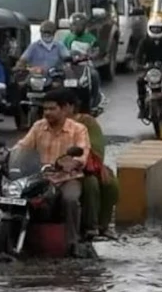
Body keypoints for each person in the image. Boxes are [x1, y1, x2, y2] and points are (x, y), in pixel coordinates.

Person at [13, 88, 91, 257]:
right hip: (39, 178)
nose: (47, 113)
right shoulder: (38, 127)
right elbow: (23, 146)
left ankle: (72, 243)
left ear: (64, 110)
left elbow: (83, 153)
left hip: (67, 178)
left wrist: (72, 163)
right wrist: (8, 155)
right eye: (45, 109)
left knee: (70, 200)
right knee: (16, 198)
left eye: (52, 109)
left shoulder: (78, 129)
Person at [62, 92, 119, 238]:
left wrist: (79, 161)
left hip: (84, 167)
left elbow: (95, 148)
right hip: (57, 169)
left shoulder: (86, 122)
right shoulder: (46, 125)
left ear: (70, 107)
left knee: (108, 183)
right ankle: (89, 226)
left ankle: (101, 226)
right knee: (91, 184)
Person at [62, 12, 102, 109]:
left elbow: (96, 51)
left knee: (94, 75)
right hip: (71, 66)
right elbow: (63, 50)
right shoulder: (68, 38)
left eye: (79, 25)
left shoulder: (91, 38)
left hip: (85, 65)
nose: (76, 28)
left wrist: (90, 55)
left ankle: (94, 100)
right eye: (74, 25)